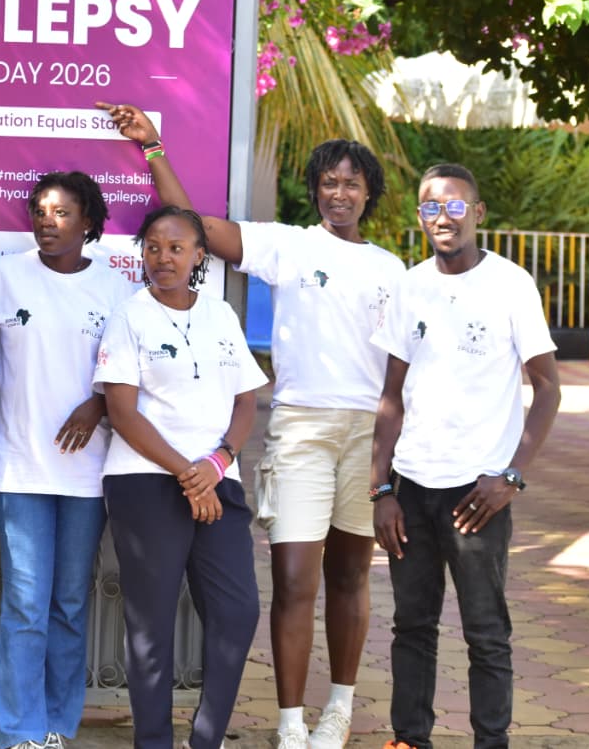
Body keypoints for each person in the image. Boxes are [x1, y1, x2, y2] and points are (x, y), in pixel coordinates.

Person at [98, 101, 406, 749]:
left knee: (351, 575)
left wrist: (393, 457)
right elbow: (193, 227)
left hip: (367, 430)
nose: (340, 192)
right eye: (329, 181)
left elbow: (404, 369)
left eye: (352, 183)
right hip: (300, 426)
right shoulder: (289, 246)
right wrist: (153, 149)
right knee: (293, 579)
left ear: (368, 193)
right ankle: (290, 722)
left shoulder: (391, 269)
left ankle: (338, 709)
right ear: (315, 189)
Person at [370, 164, 560, 749]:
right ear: (420, 216)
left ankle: (490, 741)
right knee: (412, 626)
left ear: (478, 213)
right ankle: (410, 739)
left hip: (479, 493)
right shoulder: (410, 286)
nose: (443, 217)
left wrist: (511, 476)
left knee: (486, 631)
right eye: (431, 207)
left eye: (455, 206)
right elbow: (392, 397)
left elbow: (548, 388)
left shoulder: (511, 284)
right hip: (412, 486)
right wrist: (382, 489)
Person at [94, 206, 266, 749]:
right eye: (152, 247)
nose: (162, 258)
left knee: (237, 611)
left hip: (218, 480)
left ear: (198, 255)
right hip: (145, 481)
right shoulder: (129, 317)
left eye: (175, 248)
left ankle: (206, 739)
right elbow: (122, 412)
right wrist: (188, 474)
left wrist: (216, 464)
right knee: (151, 624)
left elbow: (245, 401)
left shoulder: (221, 315)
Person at [0, 171, 134, 749]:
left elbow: (132, 371)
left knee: (68, 604)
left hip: (89, 473)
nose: (48, 221)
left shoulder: (116, 289)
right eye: (41, 211)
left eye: (62, 212)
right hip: (19, 468)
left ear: (88, 221)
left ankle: (57, 727)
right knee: (25, 605)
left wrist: (98, 403)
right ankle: (17, 731)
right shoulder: (3, 277)